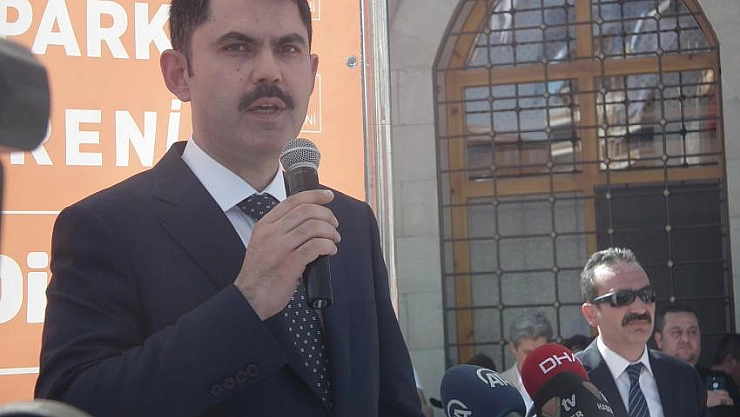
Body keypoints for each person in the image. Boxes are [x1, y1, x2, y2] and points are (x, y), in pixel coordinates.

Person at [33, 1, 424, 416]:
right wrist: (246, 302)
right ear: (179, 74)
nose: (269, 72)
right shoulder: (106, 227)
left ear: (311, 73)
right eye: (238, 47)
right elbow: (73, 404)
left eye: (288, 48)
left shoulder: (350, 221)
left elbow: (393, 399)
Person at [576, 247, 708, 417]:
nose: (640, 309)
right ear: (591, 314)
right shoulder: (570, 381)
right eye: (622, 298)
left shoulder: (684, 377)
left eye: (646, 295)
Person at [654, 305, 739, 416]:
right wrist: (697, 403)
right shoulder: (647, 382)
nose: (685, 339)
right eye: (676, 332)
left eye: (693, 332)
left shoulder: (722, 381)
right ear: (659, 340)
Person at [500, 311, 553, 411]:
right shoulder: (499, 386)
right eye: (528, 353)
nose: (535, 360)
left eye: (540, 352)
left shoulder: (560, 383)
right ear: (513, 348)